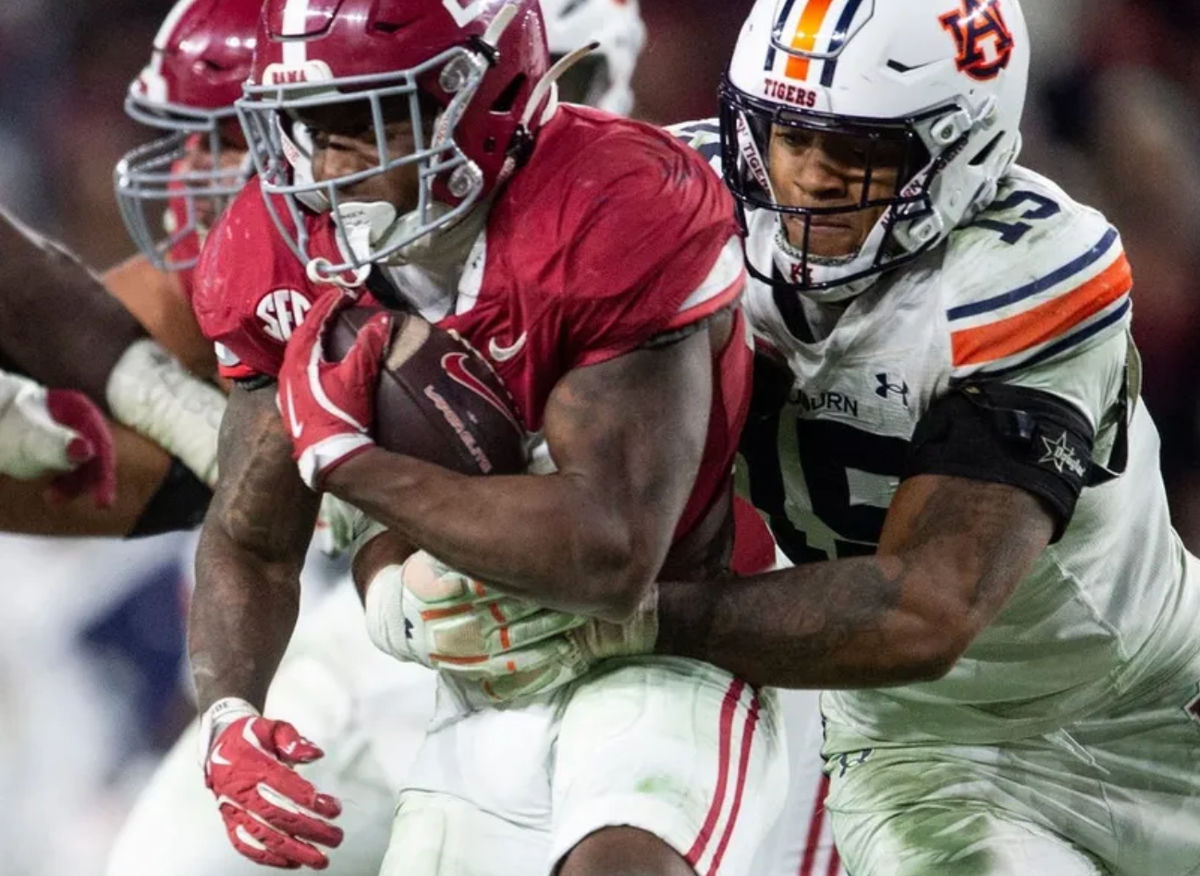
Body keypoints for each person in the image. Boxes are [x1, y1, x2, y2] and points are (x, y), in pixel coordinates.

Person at [377, 0, 1200, 873]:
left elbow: (928, 611)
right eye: (786, 136)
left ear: (965, 147)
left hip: (1150, 695)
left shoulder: (1024, 267)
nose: (806, 178)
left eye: (856, 151)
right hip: (927, 748)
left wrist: (632, 621)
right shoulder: (668, 199)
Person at [188, 1, 784, 875]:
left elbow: (610, 555)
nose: (323, 165)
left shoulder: (612, 202)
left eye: (359, 119)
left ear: (479, 92)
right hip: (479, 689)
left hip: (672, 651)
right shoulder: (276, 243)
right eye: (303, 126)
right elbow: (251, 540)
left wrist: (353, 463)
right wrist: (228, 713)